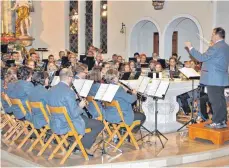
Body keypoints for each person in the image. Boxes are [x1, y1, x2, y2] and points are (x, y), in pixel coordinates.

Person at [46, 68, 104, 153]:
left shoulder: (51, 89)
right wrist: (80, 106)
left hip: (55, 121)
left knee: (85, 118)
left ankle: (73, 142)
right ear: (69, 78)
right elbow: (74, 114)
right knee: (99, 124)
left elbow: (61, 103)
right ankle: (81, 145)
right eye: (72, 78)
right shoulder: (69, 92)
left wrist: (74, 99)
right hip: (67, 123)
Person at [185, 27, 229, 128]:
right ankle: (222, 120)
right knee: (221, 100)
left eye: (213, 34)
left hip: (213, 78)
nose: (211, 36)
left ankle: (217, 121)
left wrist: (190, 47)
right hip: (221, 78)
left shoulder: (216, 47)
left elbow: (201, 58)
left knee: (215, 101)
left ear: (217, 35)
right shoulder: (225, 46)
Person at [104, 69, 146, 133]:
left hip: (109, 114)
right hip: (120, 116)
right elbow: (131, 100)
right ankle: (128, 133)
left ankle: (123, 131)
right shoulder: (118, 89)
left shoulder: (106, 87)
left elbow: (120, 97)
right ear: (114, 78)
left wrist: (125, 91)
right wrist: (134, 94)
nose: (119, 78)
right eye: (118, 76)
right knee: (142, 116)